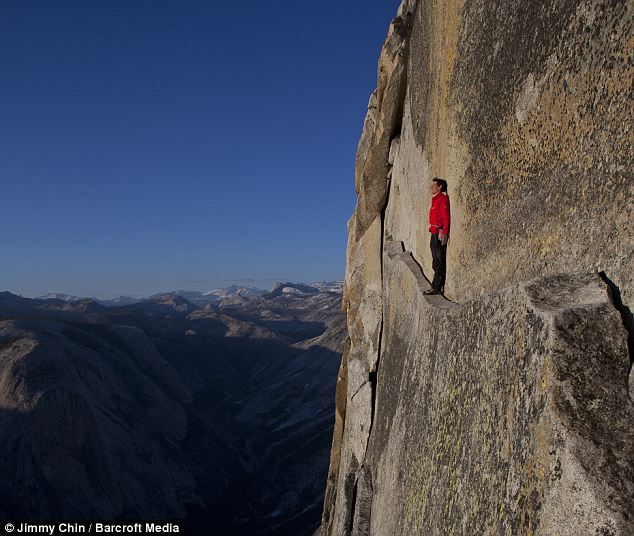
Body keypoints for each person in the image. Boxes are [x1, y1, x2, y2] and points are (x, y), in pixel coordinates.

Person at [423, 177, 450, 295]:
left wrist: (444, 232)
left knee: (438, 259)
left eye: (434, 185)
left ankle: (437, 287)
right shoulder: (435, 200)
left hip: (439, 233)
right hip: (433, 232)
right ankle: (437, 285)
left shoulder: (442, 199)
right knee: (435, 259)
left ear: (440, 187)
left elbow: (446, 217)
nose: (432, 187)